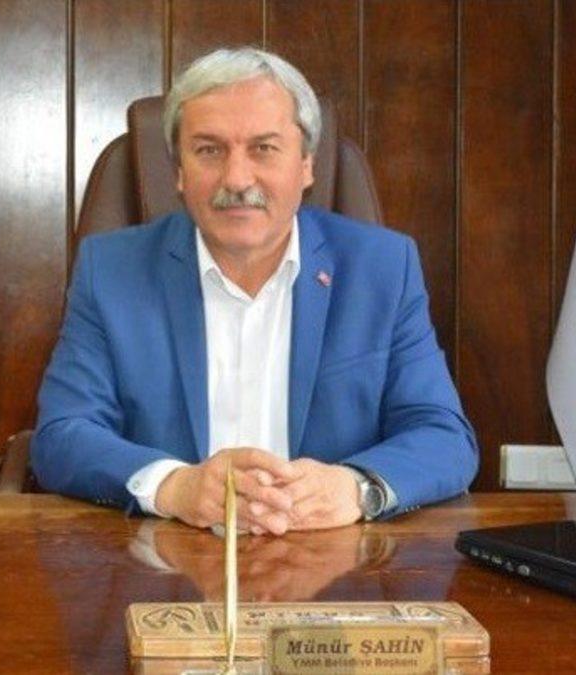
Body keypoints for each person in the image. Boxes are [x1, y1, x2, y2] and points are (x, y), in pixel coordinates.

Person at [31, 46, 476, 535]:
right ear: (178, 171)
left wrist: (355, 488)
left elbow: (444, 437)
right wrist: (174, 486)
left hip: (333, 561)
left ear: (306, 164)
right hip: (168, 557)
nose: (238, 179)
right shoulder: (111, 271)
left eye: (263, 148)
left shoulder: (381, 268)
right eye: (209, 150)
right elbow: (63, 435)